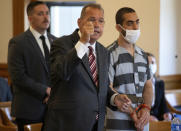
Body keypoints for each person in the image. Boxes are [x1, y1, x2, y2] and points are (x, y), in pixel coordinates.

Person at [43, 3, 131, 131]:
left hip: (96, 125)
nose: (96, 25)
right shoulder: (61, 44)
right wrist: (83, 42)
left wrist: (114, 98)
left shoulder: (103, 51)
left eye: (101, 21)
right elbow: (62, 72)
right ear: (79, 22)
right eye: (91, 20)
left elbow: (101, 87)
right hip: (67, 124)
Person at [8, 1, 56, 131]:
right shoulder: (18, 42)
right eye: (40, 14)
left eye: (47, 13)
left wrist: (54, 92)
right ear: (30, 18)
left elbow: (59, 72)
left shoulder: (56, 41)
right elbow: (18, 76)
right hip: (29, 109)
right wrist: (45, 90)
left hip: (53, 109)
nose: (46, 17)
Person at [106, 7, 153, 131]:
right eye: (130, 23)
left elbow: (148, 86)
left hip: (142, 122)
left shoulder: (142, 54)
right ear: (118, 27)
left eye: (137, 22)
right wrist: (132, 113)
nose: (136, 27)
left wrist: (146, 109)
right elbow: (108, 88)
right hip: (118, 122)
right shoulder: (109, 54)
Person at [146, 52, 172, 122]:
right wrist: (148, 117)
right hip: (143, 118)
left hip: (157, 118)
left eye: (153, 63)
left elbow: (163, 102)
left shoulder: (160, 83)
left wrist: (166, 112)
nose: (151, 65)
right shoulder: (138, 84)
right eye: (148, 63)